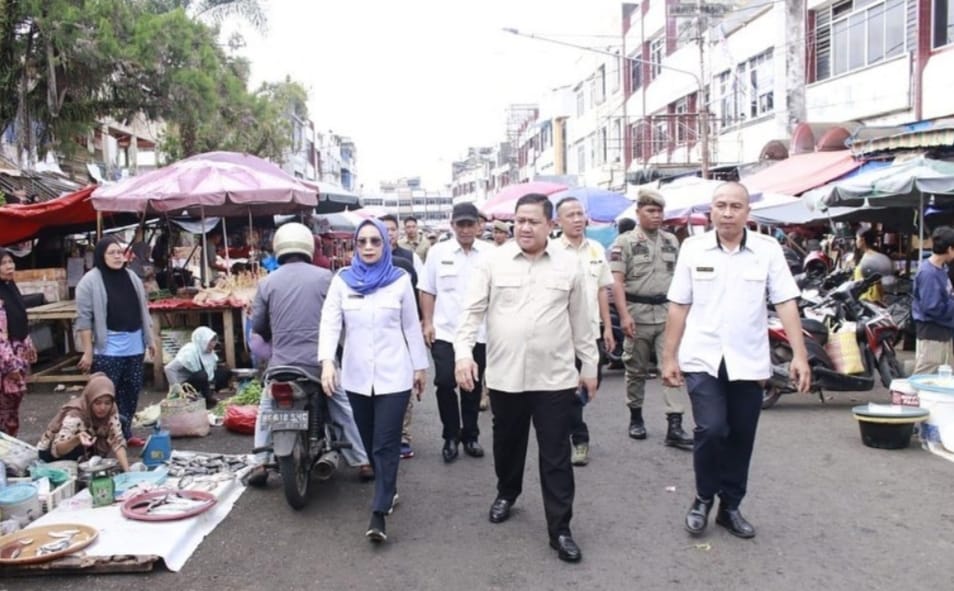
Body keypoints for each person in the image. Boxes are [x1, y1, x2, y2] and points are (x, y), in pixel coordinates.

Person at [661, 182, 811, 540]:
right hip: (703, 358)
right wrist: (669, 356)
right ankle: (702, 499)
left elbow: (786, 301)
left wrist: (800, 355)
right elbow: (679, 305)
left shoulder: (767, 249)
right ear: (710, 211)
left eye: (735, 206)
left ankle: (730, 506)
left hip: (749, 359)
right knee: (711, 429)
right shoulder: (693, 249)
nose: (727, 213)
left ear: (747, 212)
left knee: (742, 436)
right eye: (721, 206)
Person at [455, 193, 599, 563]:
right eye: (519, 220)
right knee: (507, 444)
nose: (524, 227)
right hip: (505, 376)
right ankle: (507, 492)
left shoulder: (569, 265)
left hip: (555, 377)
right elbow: (471, 313)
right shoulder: (493, 262)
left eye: (533, 221)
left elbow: (583, 321)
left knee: (556, 455)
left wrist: (590, 365)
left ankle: (560, 529)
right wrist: (463, 355)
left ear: (551, 226)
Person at [319, 218, 428, 543]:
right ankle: (389, 488)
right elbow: (330, 323)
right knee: (367, 443)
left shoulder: (399, 280)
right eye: (362, 241)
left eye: (375, 241)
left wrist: (420, 367)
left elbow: (412, 326)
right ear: (355, 245)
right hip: (356, 377)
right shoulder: (342, 280)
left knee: (385, 443)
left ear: (385, 244)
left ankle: (379, 512)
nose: (368, 247)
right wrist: (327, 361)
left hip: (395, 376)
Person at [247, 222, 370, 485]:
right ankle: (362, 460)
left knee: (266, 406)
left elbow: (258, 326)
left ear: (278, 247)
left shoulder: (267, 282)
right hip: (319, 365)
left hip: (281, 366)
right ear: (308, 247)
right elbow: (343, 317)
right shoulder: (327, 278)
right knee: (342, 406)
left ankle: (259, 464)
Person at [609, 189, 693, 449]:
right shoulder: (624, 242)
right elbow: (617, 282)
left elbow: (681, 280)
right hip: (638, 313)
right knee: (635, 370)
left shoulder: (671, 241)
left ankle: (675, 424)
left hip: (668, 314)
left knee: (672, 367)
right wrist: (623, 316)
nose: (657, 216)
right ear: (638, 213)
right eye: (651, 211)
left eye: (659, 211)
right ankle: (636, 417)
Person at [419, 202, 489, 463]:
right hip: (445, 331)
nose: (466, 229)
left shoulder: (490, 254)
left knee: (472, 385)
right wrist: (427, 322)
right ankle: (450, 435)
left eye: (470, 224)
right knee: (445, 383)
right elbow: (427, 289)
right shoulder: (438, 252)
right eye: (461, 224)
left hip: (479, 333)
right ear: (453, 225)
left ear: (478, 225)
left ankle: (470, 435)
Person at [75, 236, 154, 447]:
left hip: (135, 345)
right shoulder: (89, 281)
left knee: (131, 391)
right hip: (108, 348)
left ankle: (125, 433)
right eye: (112, 253)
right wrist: (88, 352)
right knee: (106, 396)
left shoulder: (132, 277)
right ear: (101, 255)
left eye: (120, 252)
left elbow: (143, 311)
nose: (118, 257)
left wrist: (150, 340)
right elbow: (84, 320)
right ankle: (103, 437)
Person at [555, 197, 617, 466]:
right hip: (560, 334)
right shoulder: (552, 251)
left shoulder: (596, 249)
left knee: (590, 383)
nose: (577, 219)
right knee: (569, 388)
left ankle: (568, 422)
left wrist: (607, 327)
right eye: (571, 215)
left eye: (580, 214)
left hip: (590, 331)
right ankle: (579, 439)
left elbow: (602, 288)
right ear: (558, 221)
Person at [380, 214, 421, 458]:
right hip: (379, 332)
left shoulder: (408, 260)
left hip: (404, 328)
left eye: (392, 230)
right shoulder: (363, 261)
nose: (389, 234)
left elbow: (418, 292)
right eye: (383, 230)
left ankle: (403, 435)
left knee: (403, 381)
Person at [36, 372, 130, 471]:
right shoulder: (76, 415)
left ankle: (92, 459)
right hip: (53, 450)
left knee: (121, 421)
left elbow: (117, 441)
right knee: (81, 442)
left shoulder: (111, 408)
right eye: (97, 403)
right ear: (90, 400)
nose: (103, 408)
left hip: (88, 439)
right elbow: (57, 450)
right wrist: (76, 439)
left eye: (107, 403)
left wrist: (128, 472)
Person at [0, 247, 37, 436]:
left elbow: (20, 321)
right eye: (3, 263)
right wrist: (10, 365)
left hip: (17, 357)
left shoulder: (11, 289)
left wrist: (28, 345)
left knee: (12, 411)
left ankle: (9, 455)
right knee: (4, 412)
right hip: (5, 363)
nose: (9, 266)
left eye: (10, 262)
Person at [912, 226, 954, 374]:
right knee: (925, 374)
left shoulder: (941, 269)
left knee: (941, 374)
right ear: (950, 249)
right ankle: (910, 397)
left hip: (942, 331)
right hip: (932, 332)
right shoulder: (929, 273)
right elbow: (931, 307)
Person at [164, 326, 230, 409]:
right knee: (202, 375)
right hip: (186, 386)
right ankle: (207, 399)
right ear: (202, 341)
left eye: (214, 341)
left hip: (200, 383)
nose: (213, 345)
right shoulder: (190, 351)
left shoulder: (207, 352)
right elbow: (169, 369)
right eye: (210, 341)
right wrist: (177, 390)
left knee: (225, 372)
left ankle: (208, 396)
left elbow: (211, 371)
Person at [854, 229, 895, 302]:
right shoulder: (878, 256)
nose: (856, 241)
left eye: (856, 238)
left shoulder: (871, 259)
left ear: (862, 240)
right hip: (874, 300)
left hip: (869, 300)